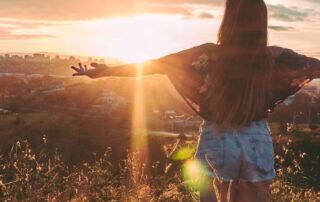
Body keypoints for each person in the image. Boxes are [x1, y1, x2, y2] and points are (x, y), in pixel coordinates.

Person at [70, 0, 320, 201]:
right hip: (255, 139)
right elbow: (316, 67)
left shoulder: (208, 54)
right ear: (262, 21)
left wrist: (106, 70)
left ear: (228, 19)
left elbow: (157, 64)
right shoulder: (275, 57)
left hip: (217, 136)